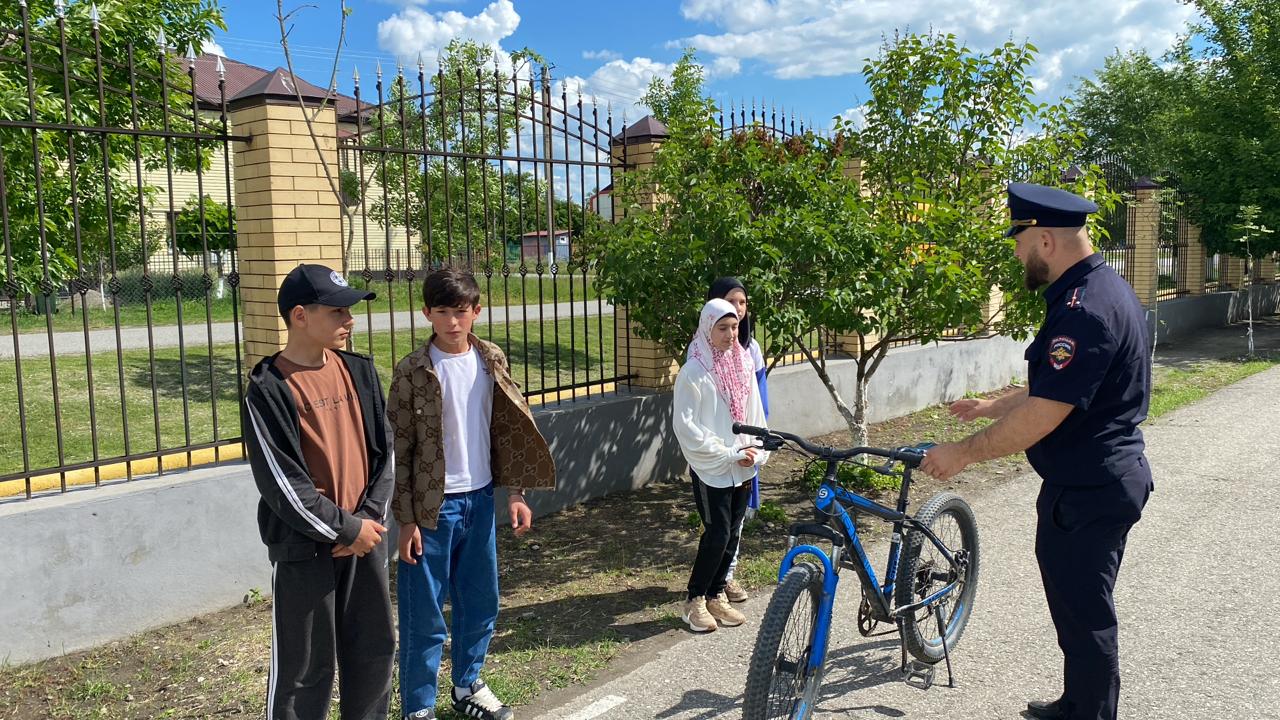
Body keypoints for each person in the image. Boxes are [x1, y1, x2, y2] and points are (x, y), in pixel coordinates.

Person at [920, 183, 1154, 720]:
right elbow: (1059, 385)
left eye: (1020, 244)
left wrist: (963, 453)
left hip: (1090, 489)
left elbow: (1045, 413)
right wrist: (992, 406)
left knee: (1087, 618)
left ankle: (1090, 713)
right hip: (1095, 481)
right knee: (1076, 611)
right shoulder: (1101, 289)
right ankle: (1079, 703)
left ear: (1045, 240)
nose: (1017, 255)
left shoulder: (1083, 311)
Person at [388, 268, 556, 720]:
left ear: (477, 311)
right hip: (431, 509)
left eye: (460, 311)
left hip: (479, 501)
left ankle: (467, 686)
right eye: (442, 311)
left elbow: (509, 428)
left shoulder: (490, 359)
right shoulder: (411, 371)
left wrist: (516, 493)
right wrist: (405, 520)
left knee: (480, 601)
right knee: (424, 614)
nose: (452, 322)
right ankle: (418, 708)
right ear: (426, 313)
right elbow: (399, 449)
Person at [242, 263, 396, 720]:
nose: (349, 320)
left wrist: (367, 521)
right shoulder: (268, 389)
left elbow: (385, 453)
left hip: (365, 540)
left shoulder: (358, 370)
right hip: (306, 551)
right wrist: (345, 529)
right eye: (337, 312)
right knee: (304, 671)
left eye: (349, 311)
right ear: (299, 316)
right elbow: (282, 485)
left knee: (374, 652)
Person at [673, 298, 770, 633]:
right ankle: (694, 600)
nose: (730, 334)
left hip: (743, 465)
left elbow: (755, 414)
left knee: (734, 532)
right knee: (717, 533)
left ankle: (716, 595)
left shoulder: (742, 363)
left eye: (734, 327)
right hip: (712, 468)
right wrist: (727, 453)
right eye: (723, 328)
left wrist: (756, 448)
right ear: (707, 329)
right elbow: (687, 427)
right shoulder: (694, 372)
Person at [701, 277, 769, 603]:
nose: (738, 309)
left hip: (746, 445)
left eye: (743, 303)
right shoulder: (703, 349)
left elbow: (759, 398)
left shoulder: (750, 349)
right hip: (718, 448)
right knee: (719, 521)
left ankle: (726, 577)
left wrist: (758, 440)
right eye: (731, 302)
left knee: (737, 517)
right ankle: (709, 586)